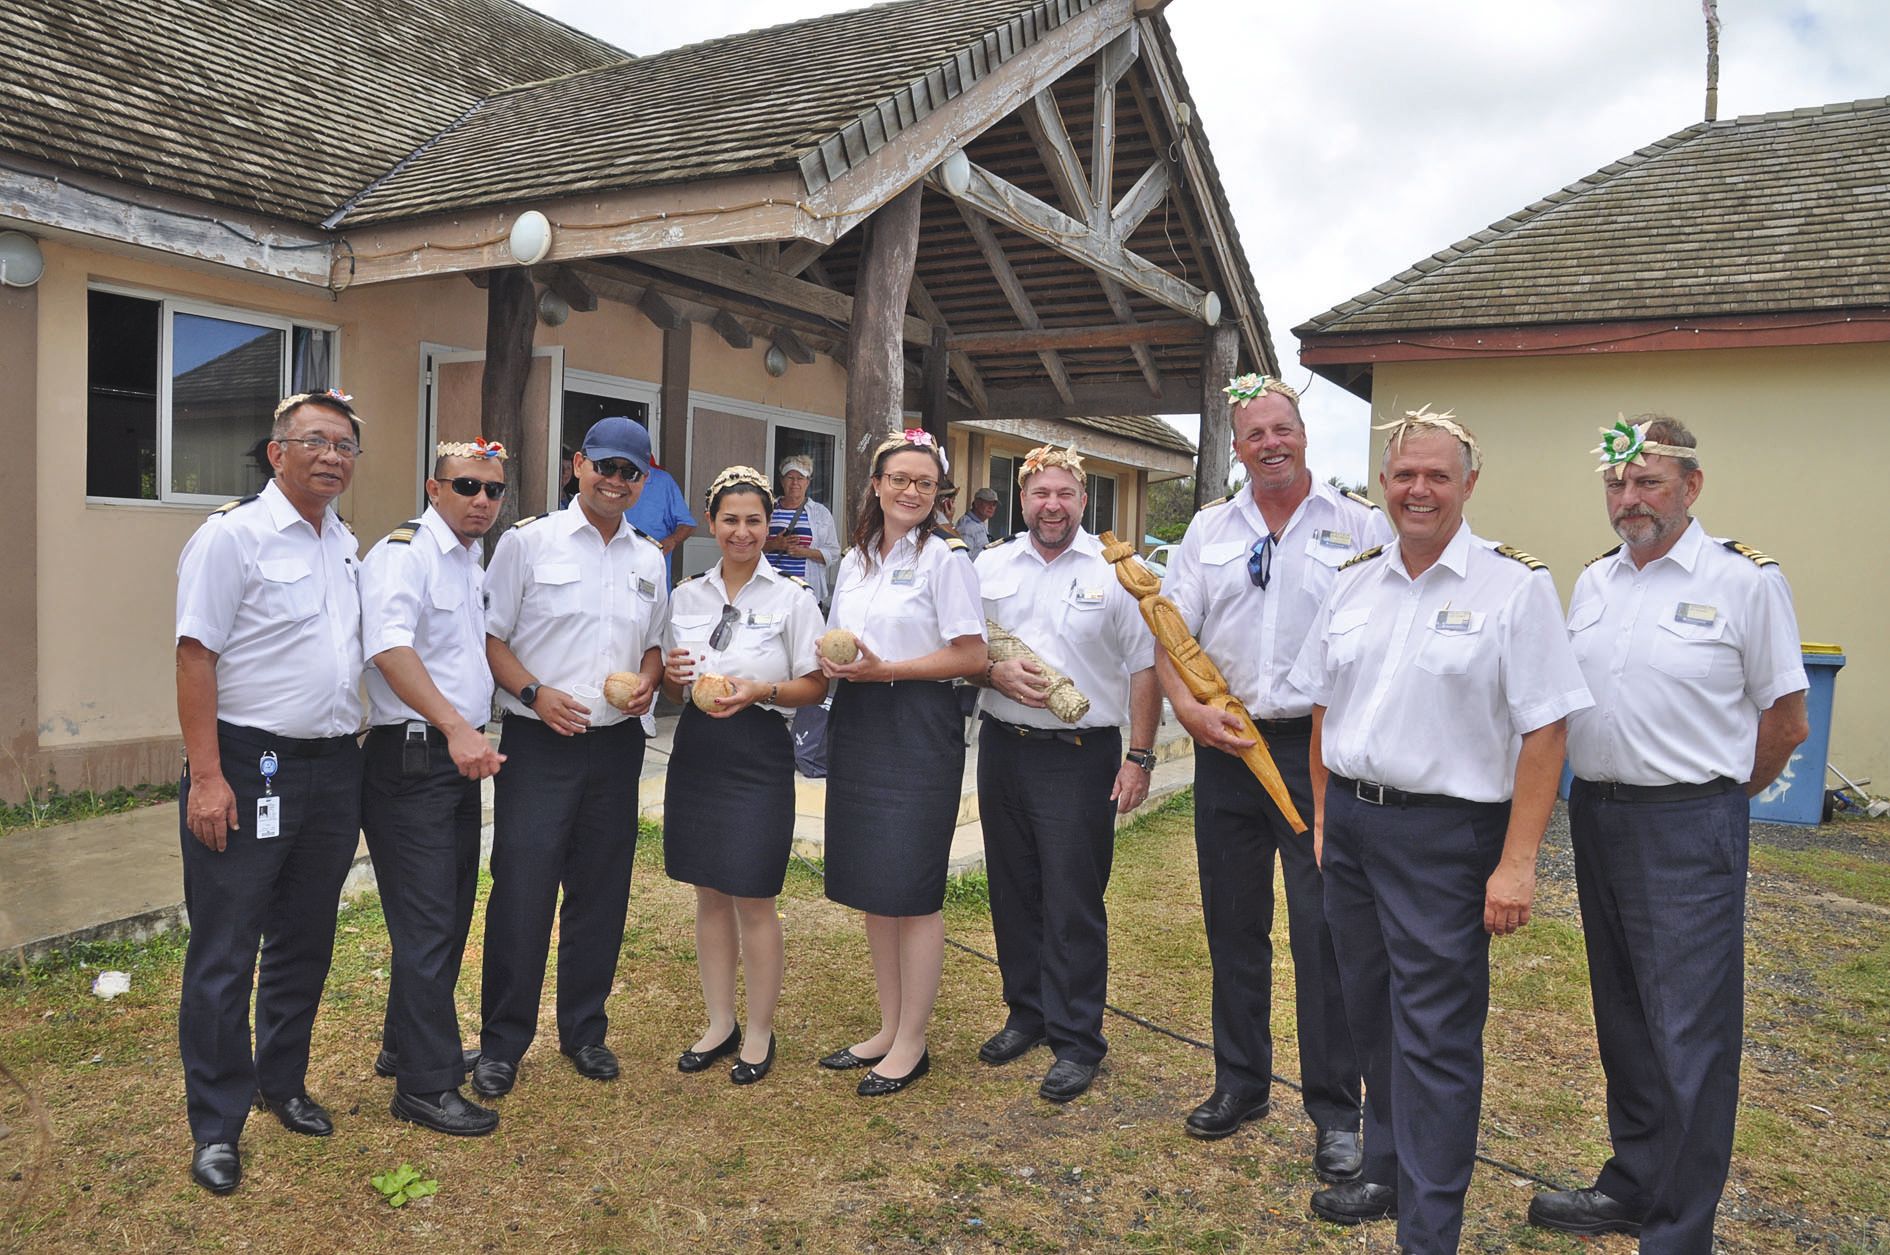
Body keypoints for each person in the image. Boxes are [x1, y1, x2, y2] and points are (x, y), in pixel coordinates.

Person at [1290, 407, 1592, 1253]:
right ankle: (1387, 1168)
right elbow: (1324, 704)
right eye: (1404, 474)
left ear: (1469, 483)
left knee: (1434, 1036)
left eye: (1436, 475)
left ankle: (1429, 1231)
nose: (1418, 489)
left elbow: (1547, 730)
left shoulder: (1514, 586)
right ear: (1384, 482)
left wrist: (1518, 862)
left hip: (1445, 839)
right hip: (1354, 826)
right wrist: (1325, 815)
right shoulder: (1353, 580)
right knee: (1370, 1014)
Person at [1527, 417, 1808, 1253]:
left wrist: (1717, 795)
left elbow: (1787, 720)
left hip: (1689, 824)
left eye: (1648, 481)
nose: (1630, 498)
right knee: (1623, 1015)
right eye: (1616, 483)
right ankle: (1635, 1181)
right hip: (1599, 814)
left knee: (1690, 1032)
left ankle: (1680, 1230)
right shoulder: (1594, 581)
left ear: (1692, 484)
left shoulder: (1745, 581)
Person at [1155, 375, 1389, 1173]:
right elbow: (1170, 632)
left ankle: (1337, 1110)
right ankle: (1241, 1081)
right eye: (1254, 434)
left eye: (1281, 429)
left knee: (1324, 932)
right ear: (1237, 446)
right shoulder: (1209, 528)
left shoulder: (1360, 525)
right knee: (1233, 924)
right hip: (1227, 746)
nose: (1270, 444)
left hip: (1315, 752)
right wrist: (1187, 710)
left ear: (1304, 432)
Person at [173, 388, 367, 1194]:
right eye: (316, 441)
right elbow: (195, 655)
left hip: (334, 765)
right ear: (276, 451)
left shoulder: (345, 541)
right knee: (227, 945)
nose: (332, 456)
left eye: (345, 445)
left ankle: (281, 1081)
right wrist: (207, 775)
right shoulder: (232, 536)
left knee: (304, 935)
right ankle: (217, 1125)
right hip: (249, 763)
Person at [472, 416, 667, 1098]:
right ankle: (502, 1042)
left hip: (616, 746)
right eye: (604, 466)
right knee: (522, 891)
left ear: (643, 480)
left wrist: (648, 681)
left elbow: (654, 643)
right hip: (540, 743)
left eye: (629, 472)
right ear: (578, 464)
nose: (615, 481)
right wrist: (533, 692)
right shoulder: (527, 543)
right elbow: (489, 637)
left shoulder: (650, 558)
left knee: (601, 891)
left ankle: (584, 1030)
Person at [971, 445, 1159, 1102]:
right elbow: (965, 651)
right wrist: (991, 673)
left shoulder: (1117, 573)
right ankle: (1026, 1013)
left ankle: (1077, 1039)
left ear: (1083, 499)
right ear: (1022, 499)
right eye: (1040, 493)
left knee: (1073, 898)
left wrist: (1140, 756)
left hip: (1081, 755)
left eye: (1064, 494)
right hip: (1003, 747)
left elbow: (1145, 667)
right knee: (1012, 888)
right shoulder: (988, 566)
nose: (1052, 505)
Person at [816, 429, 987, 1097]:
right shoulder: (856, 558)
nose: (911, 491)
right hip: (860, 720)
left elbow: (971, 655)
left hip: (918, 725)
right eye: (899, 479)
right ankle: (888, 1027)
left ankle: (913, 1041)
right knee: (875, 883)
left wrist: (887, 669)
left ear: (938, 492)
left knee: (912, 888)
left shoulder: (946, 557)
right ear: (877, 485)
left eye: (924, 482)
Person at [357, 437, 509, 1137]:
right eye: (467, 485)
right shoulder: (406, 553)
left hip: (454, 755)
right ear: (434, 487)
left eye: (493, 489)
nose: (482, 500)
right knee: (424, 923)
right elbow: (389, 649)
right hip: (414, 756)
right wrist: (454, 726)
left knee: (445, 915)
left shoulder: (466, 559)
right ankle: (424, 1084)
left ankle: (405, 1044)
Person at [660, 467, 828, 1084]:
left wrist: (764, 690)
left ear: (767, 525)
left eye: (754, 520)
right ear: (711, 523)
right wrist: (672, 680)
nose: (742, 531)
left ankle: (759, 1030)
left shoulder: (792, 598)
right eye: (730, 519)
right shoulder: (685, 596)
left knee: (754, 895)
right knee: (708, 891)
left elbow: (816, 684)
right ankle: (719, 1022)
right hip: (699, 749)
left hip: (759, 750)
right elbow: (673, 683)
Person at [764, 454, 840, 603]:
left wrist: (805, 552)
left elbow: (834, 553)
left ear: (808, 482)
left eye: (800, 478)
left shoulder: (820, 513)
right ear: (781, 480)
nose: (795, 483)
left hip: (805, 592)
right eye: (790, 477)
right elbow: (750, 548)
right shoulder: (767, 510)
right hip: (770, 590)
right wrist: (774, 544)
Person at [622, 449, 697, 558]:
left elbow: (687, 524)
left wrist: (672, 541)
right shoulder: (608, 478)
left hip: (652, 562)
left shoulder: (662, 481)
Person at [957, 486, 1000, 557]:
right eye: (988, 503)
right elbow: (964, 558)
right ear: (977, 503)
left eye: (994, 504)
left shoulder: (980, 522)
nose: (991, 507)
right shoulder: (967, 527)